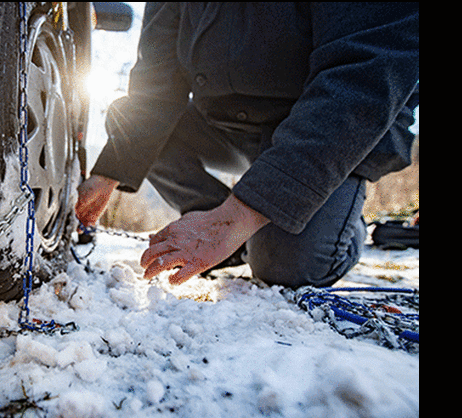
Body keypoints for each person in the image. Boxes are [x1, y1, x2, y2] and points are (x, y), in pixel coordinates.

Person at [76, 3, 419, 287]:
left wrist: (237, 217)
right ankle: (220, 225)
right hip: (226, 127)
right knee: (127, 117)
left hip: (326, 131)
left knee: (287, 268)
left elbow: (364, 76)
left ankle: (339, 221)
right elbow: (156, 82)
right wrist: (109, 171)